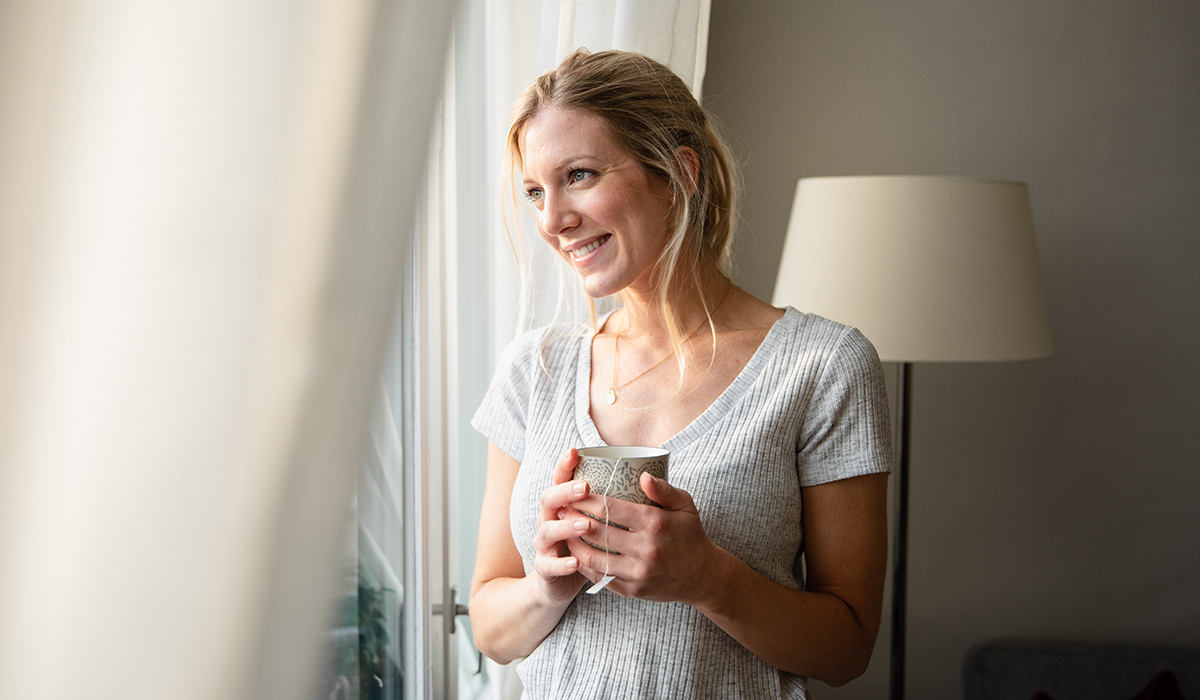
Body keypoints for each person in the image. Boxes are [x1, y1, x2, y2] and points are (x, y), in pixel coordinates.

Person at [469, 49, 892, 699]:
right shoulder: (536, 368)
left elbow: (847, 649)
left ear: (678, 173)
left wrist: (708, 579)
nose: (552, 221)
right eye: (535, 192)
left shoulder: (823, 366)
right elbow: (492, 629)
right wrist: (544, 589)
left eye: (578, 175)